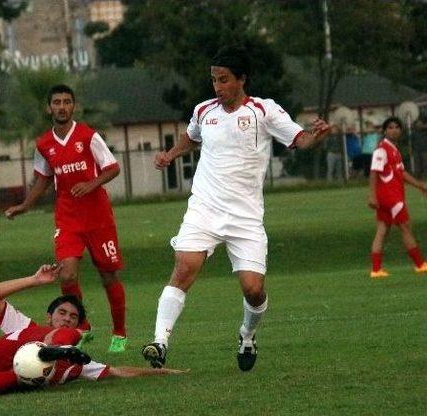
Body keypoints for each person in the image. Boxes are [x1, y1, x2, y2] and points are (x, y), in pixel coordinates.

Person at [141, 45, 330, 372]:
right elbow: (191, 138)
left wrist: (317, 136)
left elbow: (300, 141)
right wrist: (171, 155)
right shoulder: (204, 111)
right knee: (184, 267)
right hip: (205, 207)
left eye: (224, 79)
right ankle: (159, 342)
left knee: (253, 289)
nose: (217, 86)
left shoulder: (264, 111)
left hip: (245, 217)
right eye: (214, 79)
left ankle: (247, 334)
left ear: (242, 79)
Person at [0, 264, 184, 401]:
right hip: (8, 354)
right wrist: (34, 280)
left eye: (73, 317)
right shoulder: (25, 324)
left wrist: (158, 372)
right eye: (62, 314)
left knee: (10, 381)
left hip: (19, 374)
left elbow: (116, 371)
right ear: (50, 316)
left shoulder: (77, 365)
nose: (67, 319)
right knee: (66, 343)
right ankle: (49, 350)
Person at [4, 84, 127, 353]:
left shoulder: (88, 136)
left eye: (67, 102)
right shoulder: (44, 144)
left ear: (74, 106)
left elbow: (113, 168)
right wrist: (25, 205)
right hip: (68, 219)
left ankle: (119, 333)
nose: (62, 106)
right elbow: (43, 178)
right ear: (49, 107)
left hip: (98, 218)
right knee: (67, 273)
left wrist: (91, 184)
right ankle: (82, 327)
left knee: (108, 275)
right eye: (57, 102)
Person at [367, 117, 427, 278]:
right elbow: (374, 172)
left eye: (397, 127)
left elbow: (402, 173)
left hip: (392, 196)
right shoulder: (382, 150)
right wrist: (372, 196)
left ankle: (376, 269)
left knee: (382, 230)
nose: (394, 130)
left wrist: (419, 185)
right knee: (406, 226)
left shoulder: (394, 150)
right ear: (385, 131)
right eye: (390, 127)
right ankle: (420, 265)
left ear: (401, 130)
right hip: (390, 197)